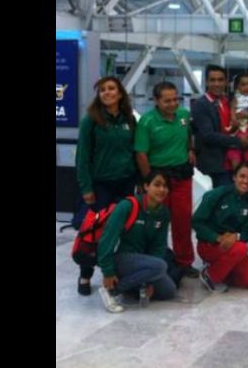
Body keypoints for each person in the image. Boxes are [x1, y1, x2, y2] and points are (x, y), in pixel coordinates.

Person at [75, 76, 139, 296]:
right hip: (100, 185)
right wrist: (86, 188)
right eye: (102, 90)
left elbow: (135, 152)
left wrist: (140, 181)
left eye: (111, 89)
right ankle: (85, 274)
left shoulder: (129, 119)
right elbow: (82, 157)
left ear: (120, 94)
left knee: (123, 230)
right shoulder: (90, 121)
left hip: (126, 183)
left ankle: (115, 274)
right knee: (94, 232)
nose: (107, 93)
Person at [135, 81, 199, 277]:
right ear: (156, 101)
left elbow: (189, 135)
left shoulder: (184, 115)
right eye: (167, 101)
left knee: (183, 221)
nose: (172, 104)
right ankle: (155, 261)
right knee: (156, 221)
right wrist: (149, 181)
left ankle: (184, 262)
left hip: (182, 176)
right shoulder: (147, 122)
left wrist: (190, 149)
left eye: (175, 99)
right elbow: (141, 153)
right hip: (159, 178)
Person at [96, 170, 176, 313]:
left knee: (169, 291)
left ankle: (135, 285)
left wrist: (150, 280)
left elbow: (158, 246)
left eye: (165, 186)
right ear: (146, 186)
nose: (162, 190)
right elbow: (107, 239)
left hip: (146, 262)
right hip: (122, 259)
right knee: (161, 266)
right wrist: (107, 271)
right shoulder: (127, 206)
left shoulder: (163, 213)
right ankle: (112, 290)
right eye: (157, 185)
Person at [193, 162, 248, 293]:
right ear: (234, 177)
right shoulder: (217, 195)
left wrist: (236, 236)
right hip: (209, 245)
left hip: (233, 246)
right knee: (242, 248)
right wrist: (217, 237)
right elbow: (197, 221)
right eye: (242, 176)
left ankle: (220, 269)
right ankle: (209, 275)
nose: (245, 181)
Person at [192, 65, 248, 188]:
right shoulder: (200, 105)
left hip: (235, 164)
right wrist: (238, 141)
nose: (217, 84)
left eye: (220, 80)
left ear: (226, 82)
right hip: (215, 167)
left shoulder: (229, 101)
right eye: (212, 80)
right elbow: (208, 136)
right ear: (206, 82)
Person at [226, 72, 248, 171]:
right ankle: (236, 175)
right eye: (243, 85)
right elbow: (232, 109)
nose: (246, 87)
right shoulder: (236, 98)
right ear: (238, 87)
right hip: (237, 131)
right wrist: (234, 118)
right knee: (235, 158)